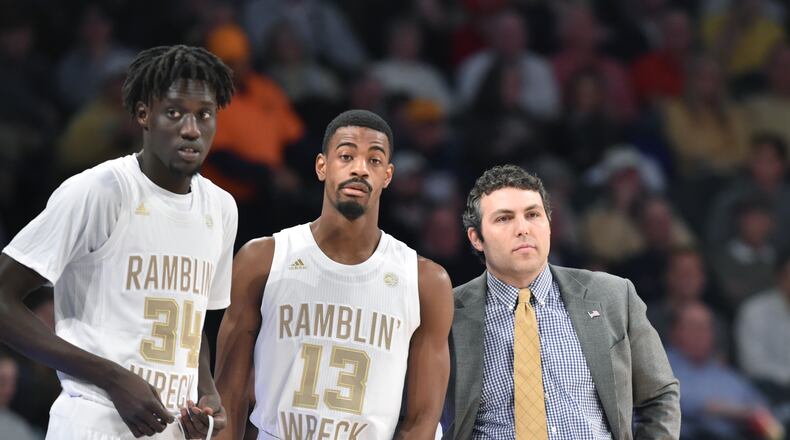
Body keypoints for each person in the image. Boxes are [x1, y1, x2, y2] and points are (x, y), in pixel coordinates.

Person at [0, 44, 237, 439]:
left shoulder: (222, 208)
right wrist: (111, 377)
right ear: (144, 114)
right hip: (94, 422)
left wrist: (207, 390)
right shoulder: (100, 190)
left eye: (204, 115)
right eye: (175, 113)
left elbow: (190, 323)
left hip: (172, 429)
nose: (191, 129)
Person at [214, 109, 454, 439]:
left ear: (387, 176)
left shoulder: (425, 282)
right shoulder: (262, 259)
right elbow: (228, 396)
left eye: (374, 160)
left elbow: (423, 421)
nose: (359, 168)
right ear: (321, 166)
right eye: (346, 155)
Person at [444, 164, 680, 439]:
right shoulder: (447, 312)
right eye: (504, 219)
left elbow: (659, 396)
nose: (523, 229)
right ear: (476, 238)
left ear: (549, 225)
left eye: (533, 215)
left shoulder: (612, 295)